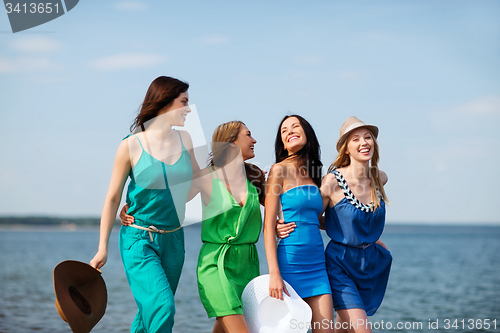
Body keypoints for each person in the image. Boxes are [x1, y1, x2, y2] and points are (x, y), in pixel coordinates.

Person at [89, 76, 200, 333]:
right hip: (139, 240)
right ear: (164, 103)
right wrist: (102, 248)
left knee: (148, 313)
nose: (188, 109)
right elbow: (113, 198)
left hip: (174, 240)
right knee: (163, 306)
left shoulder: (186, 140)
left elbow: (195, 187)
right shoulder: (130, 145)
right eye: (183, 102)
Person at [264, 115, 334, 333]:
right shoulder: (278, 170)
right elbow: (268, 225)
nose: (289, 131)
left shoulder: (314, 175)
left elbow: (318, 220)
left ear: (307, 132)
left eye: (295, 126)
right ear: (283, 143)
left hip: (318, 266)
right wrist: (274, 273)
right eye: (284, 131)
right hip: (289, 265)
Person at [321, 116, 391, 333]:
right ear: (346, 149)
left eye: (368, 137)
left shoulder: (380, 178)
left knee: (344, 329)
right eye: (355, 139)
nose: (364, 142)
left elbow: (365, 217)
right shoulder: (332, 181)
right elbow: (313, 217)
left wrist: (371, 238)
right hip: (341, 263)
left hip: (371, 262)